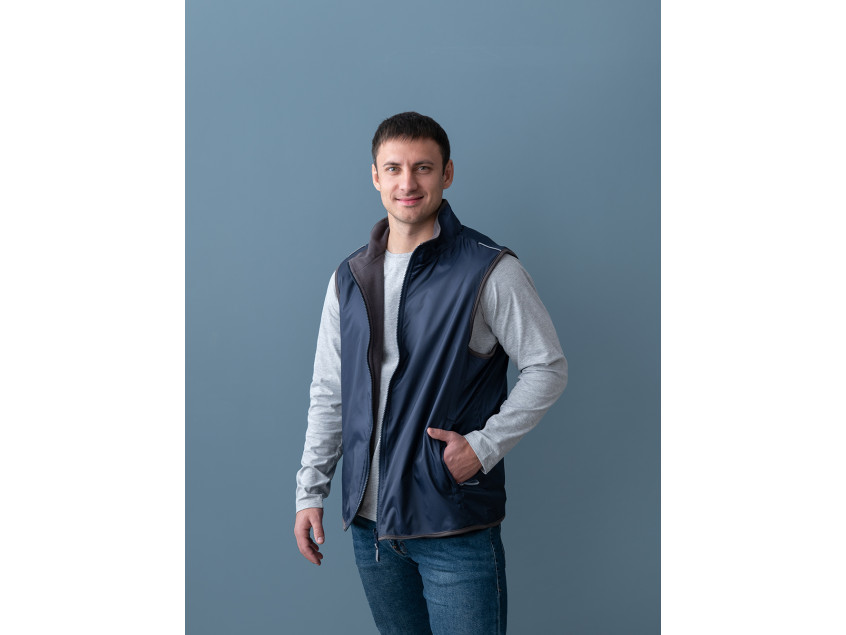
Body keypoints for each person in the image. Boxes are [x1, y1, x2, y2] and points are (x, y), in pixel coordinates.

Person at [294, 112, 567, 634]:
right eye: (393, 168)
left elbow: (547, 366)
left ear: (447, 174)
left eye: (423, 167)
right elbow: (330, 393)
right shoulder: (349, 278)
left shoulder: (489, 269)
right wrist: (311, 491)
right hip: (370, 529)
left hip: (453, 525)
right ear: (375, 176)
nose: (407, 182)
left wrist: (483, 448)